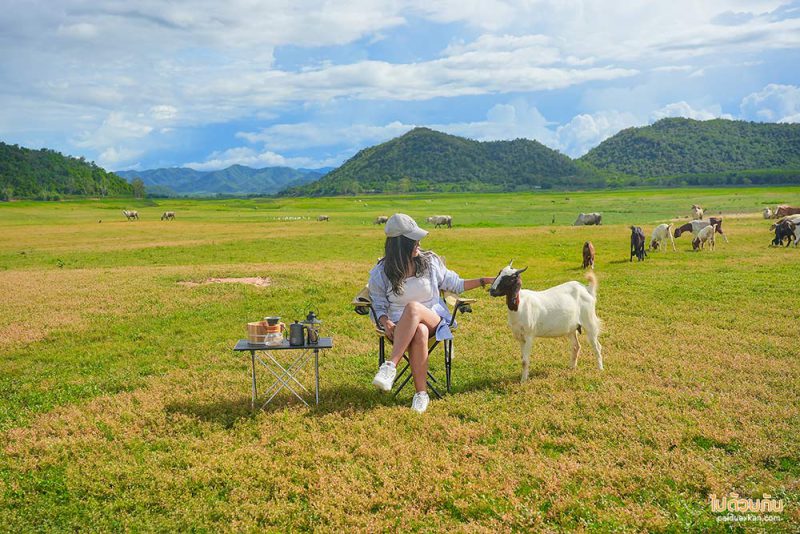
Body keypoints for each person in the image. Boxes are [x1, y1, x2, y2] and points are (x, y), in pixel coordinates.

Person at [368, 213, 495, 413]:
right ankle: (421, 395)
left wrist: (483, 281)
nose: (419, 242)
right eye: (414, 240)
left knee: (413, 307)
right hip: (400, 329)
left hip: (434, 319)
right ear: (401, 244)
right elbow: (379, 304)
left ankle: (390, 366)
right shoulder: (382, 272)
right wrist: (386, 323)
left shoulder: (430, 262)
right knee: (419, 331)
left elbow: (456, 284)